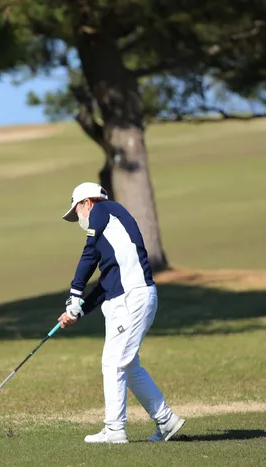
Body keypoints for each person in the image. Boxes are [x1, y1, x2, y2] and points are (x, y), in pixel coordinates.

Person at [57, 181, 185, 444]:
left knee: (113, 362)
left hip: (132, 299)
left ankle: (115, 430)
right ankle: (166, 421)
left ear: (87, 202)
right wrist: (77, 312)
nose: (79, 218)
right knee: (129, 365)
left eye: (77, 211)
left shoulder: (103, 209)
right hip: (128, 299)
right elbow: (105, 284)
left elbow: (88, 254)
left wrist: (74, 294)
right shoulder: (112, 239)